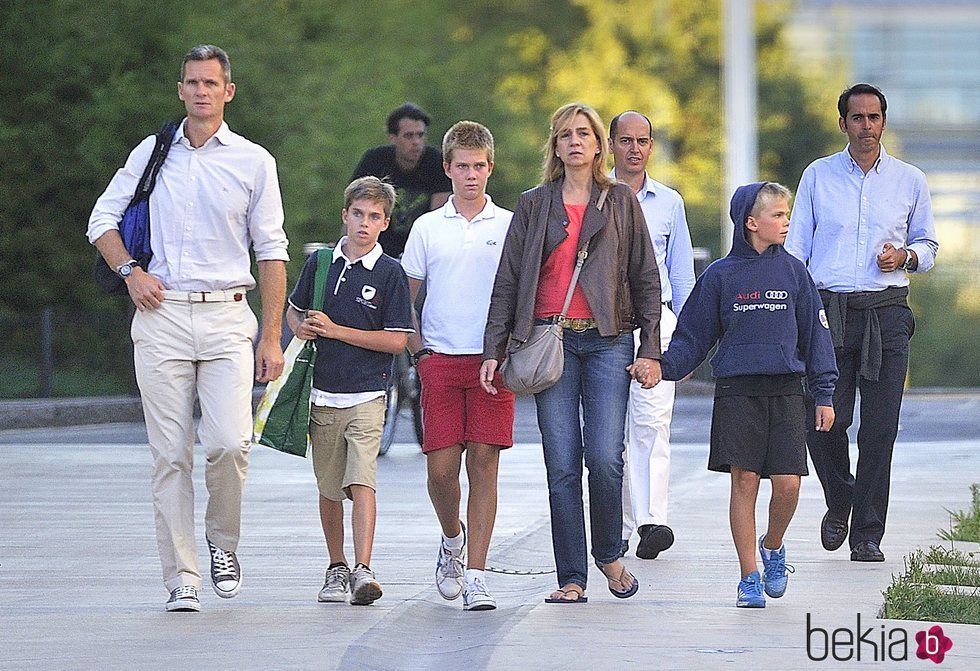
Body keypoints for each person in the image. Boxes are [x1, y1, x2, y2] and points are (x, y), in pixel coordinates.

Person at [87, 45, 289, 612]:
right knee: (170, 455)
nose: (201, 91)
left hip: (228, 315)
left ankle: (222, 545)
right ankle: (182, 575)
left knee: (229, 443)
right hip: (161, 315)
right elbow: (101, 219)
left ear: (229, 91)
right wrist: (129, 272)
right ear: (180, 90)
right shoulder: (154, 152)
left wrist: (271, 338)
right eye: (191, 82)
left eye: (211, 83)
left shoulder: (254, 161)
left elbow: (271, 250)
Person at [481, 103, 661, 604]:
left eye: (584, 133)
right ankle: (571, 577)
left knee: (605, 458)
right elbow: (508, 281)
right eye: (565, 135)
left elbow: (646, 277)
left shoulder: (621, 201)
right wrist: (494, 348)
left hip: (607, 341)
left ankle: (608, 552)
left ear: (599, 144)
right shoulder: (534, 204)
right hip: (549, 342)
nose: (575, 142)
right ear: (555, 146)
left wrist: (652, 348)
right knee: (562, 464)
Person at [653, 182, 838, 608]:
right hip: (738, 391)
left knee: (789, 485)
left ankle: (772, 546)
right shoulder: (720, 275)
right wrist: (664, 367)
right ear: (751, 223)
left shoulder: (795, 273)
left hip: (787, 391)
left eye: (787, 213)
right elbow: (693, 335)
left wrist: (824, 393)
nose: (786, 221)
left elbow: (816, 337)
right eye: (777, 214)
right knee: (745, 480)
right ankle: (748, 575)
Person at [786, 83, 939, 563]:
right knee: (824, 418)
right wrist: (798, 311)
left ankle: (867, 533)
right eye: (857, 118)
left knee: (879, 428)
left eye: (874, 117)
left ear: (884, 122)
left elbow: (929, 247)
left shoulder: (910, 179)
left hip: (887, 312)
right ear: (843, 124)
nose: (866, 126)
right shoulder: (818, 176)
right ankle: (840, 498)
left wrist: (907, 256)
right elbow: (797, 249)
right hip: (828, 311)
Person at [402, 121, 515, 611]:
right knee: (441, 471)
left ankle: (478, 575)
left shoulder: (510, 224)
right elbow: (403, 295)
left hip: (493, 360)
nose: (471, 175)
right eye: (462, 166)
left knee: (484, 465)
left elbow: (520, 294)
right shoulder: (428, 227)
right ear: (447, 169)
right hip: (441, 359)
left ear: (490, 168)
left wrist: (509, 348)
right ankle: (452, 541)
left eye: (479, 166)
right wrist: (419, 349)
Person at [285, 177, 414, 606]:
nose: (364, 223)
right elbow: (294, 310)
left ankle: (363, 569)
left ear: (385, 222)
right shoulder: (321, 263)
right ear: (345, 215)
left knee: (362, 480)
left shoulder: (390, 272)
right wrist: (299, 327)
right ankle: (336, 565)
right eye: (358, 213)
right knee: (328, 487)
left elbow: (397, 340)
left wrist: (339, 331)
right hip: (323, 393)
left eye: (374, 216)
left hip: (367, 393)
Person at [609, 110, 696, 560]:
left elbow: (681, 279)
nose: (635, 149)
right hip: (603, 322)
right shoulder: (593, 196)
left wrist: (684, 347)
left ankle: (650, 522)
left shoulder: (669, 202)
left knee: (651, 425)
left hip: (655, 323)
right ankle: (619, 524)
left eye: (643, 141)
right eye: (626, 140)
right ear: (612, 145)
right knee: (610, 432)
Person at [350, 102, 452, 257]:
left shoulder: (436, 163)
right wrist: (345, 245)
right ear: (393, 138)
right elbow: (355, 210)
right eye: (409, 136)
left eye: (420, 135)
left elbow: (438, 220)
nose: (416, 142)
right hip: (376, 251)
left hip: (421, 252)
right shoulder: (375, 161)